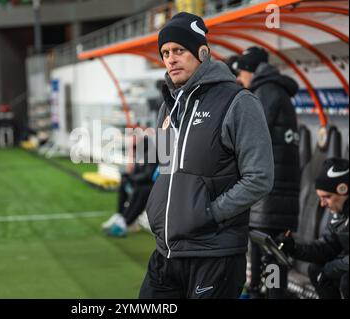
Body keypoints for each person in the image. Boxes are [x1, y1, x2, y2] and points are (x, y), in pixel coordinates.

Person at [139, 12, 274, 299]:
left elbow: (260, 178)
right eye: (165, 53)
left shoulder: (238, 102)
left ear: (202, 52)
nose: (171, 59)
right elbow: (166, 170)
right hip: (166, 251)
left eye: (179, 50)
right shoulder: (169, 106)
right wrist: (158, 209)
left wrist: (210, 213)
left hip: (215, 254)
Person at [234, 46, 301, 298]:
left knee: (272, 256)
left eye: (242, 70)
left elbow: (248, 137)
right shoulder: (274, 91)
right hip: (277, 193)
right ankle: (256, 292)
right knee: (268, 253)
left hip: (272, 194)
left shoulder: (266, 92)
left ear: (251, 70)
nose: (240, 77)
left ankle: (266, 296)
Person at [278, 158, 349, 299]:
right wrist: (294, 249)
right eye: (320, 197)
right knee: (315, 270)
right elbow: (327, 247)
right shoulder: (339, 215)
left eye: (327, 197)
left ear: (343, 189)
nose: (322, 204)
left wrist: (330, 269)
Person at [102, 136, 157, 237]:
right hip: (139, 185)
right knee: (124, 183)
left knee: (139, 192)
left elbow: (147, 176)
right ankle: (120, 215)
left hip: (148, 187)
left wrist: (132, 178)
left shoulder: (151, 157)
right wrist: (127, 177)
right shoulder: (141, 157)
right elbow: (136, 173)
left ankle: (125, 223)